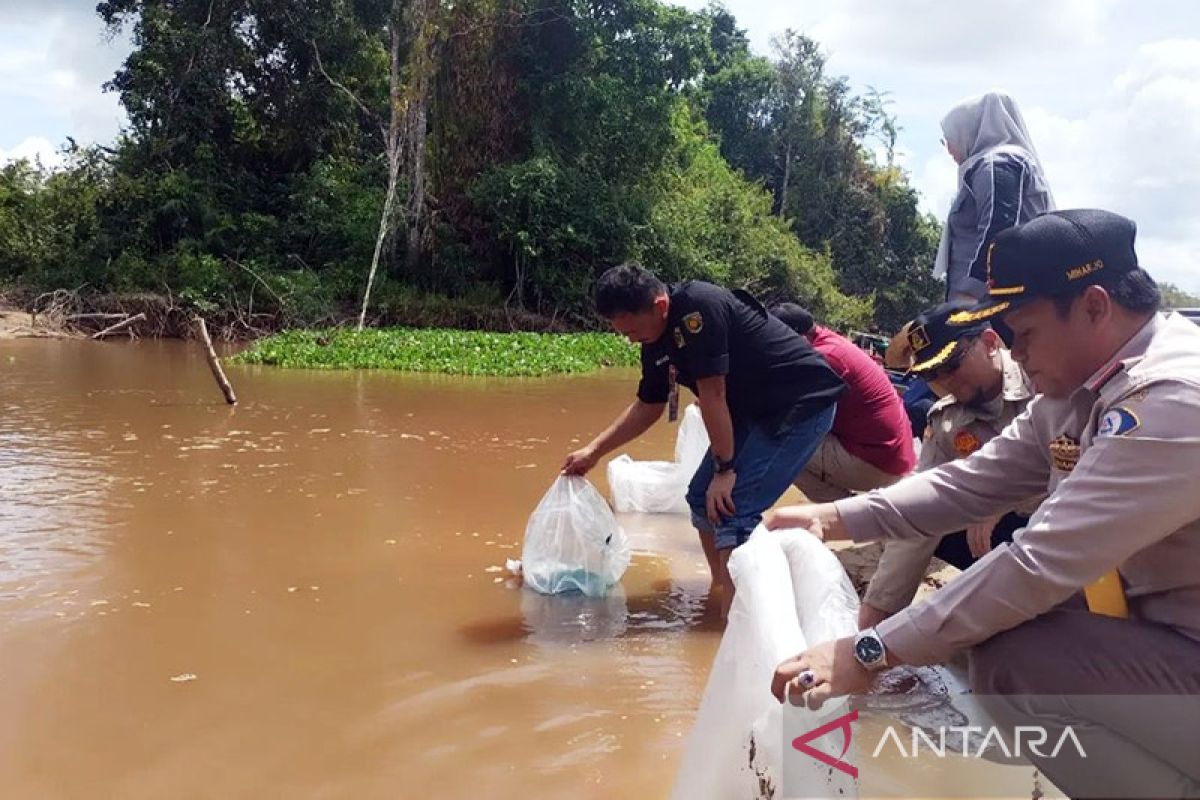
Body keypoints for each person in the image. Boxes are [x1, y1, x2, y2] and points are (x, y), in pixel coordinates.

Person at [767, 209, 1200, 798]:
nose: (1017, 354)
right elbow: (968, 482)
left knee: (1016, 663)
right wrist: (835, 516)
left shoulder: (1171, 399)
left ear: (1095, 306)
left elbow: (1037, 563)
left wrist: (869, 651)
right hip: (1169, 634)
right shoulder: (1082, 388)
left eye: (1026, 333)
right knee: (1003, 633)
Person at [562, 263, 844, 614]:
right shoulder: (654, 339)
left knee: (731, 507)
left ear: (660, 305)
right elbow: (650, 404)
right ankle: (722, 591)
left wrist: (725, 471)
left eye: (634, 331)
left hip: (800, 406)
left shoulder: (699, 309)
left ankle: (736, 618)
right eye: (624, 334)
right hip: (753, 412)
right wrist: (594, 451)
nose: (631, 340)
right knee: (700, 499)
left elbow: (713, 395)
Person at [859, 301, 1037, 629]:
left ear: (988, 342)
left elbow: (1084, 475)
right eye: (931, 374)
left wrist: (1004, 498)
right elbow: (921, 510)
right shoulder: (947, 420)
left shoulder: (1043, 378)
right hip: (995, 539)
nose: (944, 381)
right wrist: (875, 616)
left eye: (951, 365)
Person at [770, 303, 915, 502]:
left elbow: (785, 410)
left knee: (780, 448)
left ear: (797, 337)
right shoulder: (830, 341)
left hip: (880, 462)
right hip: (893, 453)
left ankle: (843, 511)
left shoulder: (825, 358)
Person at [934, 90, 1054, 304]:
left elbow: (997, 227)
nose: (948, 147)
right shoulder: (993, 164)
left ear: (969, 130)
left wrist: (971, 292)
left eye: (949, 138)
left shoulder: (997, 163)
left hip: (984, 305)